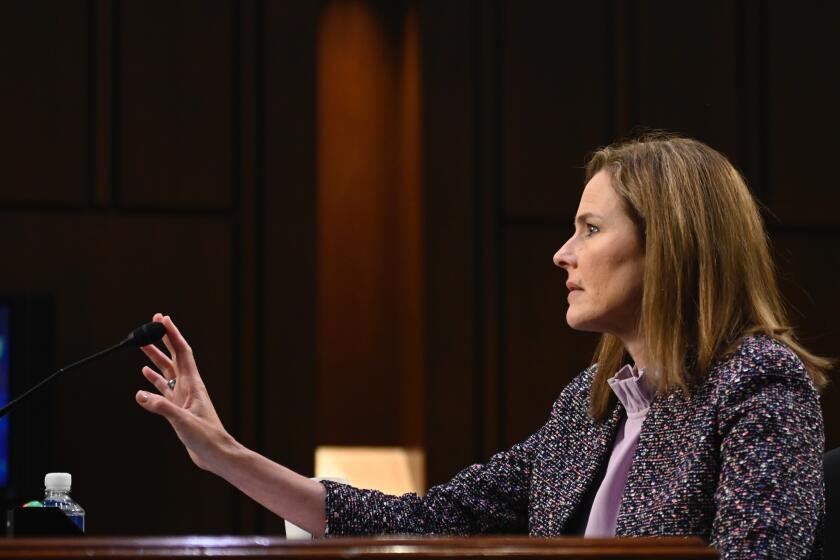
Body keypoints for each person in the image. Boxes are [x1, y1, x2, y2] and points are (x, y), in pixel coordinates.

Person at [135, 134, 829, 559]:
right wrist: (224, 456)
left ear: (670, 245)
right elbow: (425, 521)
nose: (562, 255)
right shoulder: (586, 415)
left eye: (589, 229)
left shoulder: (758, 384)